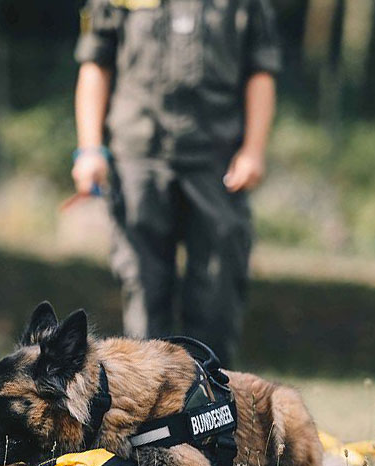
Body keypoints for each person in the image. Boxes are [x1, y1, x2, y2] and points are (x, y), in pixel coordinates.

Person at [72, 0, 281, 367]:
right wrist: (89, 149)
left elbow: (260, 72)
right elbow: (95, 65)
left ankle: (214, 402)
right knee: (145, 289)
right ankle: (149, 408)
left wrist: (254, 150)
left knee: (218, 290)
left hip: (218, 160)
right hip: (138, 156)